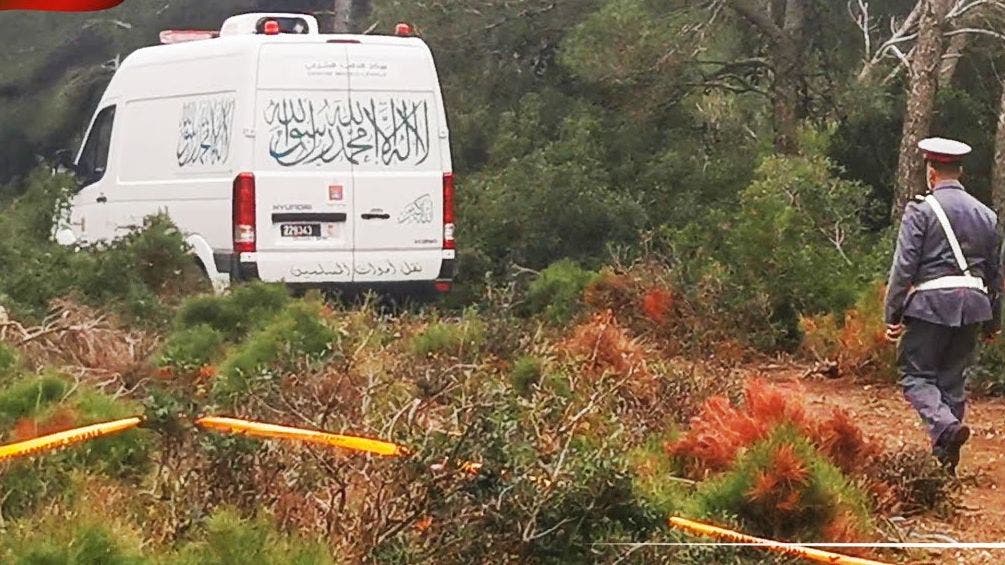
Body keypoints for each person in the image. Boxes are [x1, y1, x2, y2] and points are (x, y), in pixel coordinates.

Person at [884, 137, 1001, 475]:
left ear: (931, 172)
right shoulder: (987, 215)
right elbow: (995, 276)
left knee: (914, 375)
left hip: (931, 305)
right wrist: (994, 322)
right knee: (952, 382)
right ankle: (944, 468)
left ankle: (946, 428)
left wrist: (892, 314)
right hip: (974, 306)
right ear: (960, 171)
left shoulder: (921, 210)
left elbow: (903, 267)